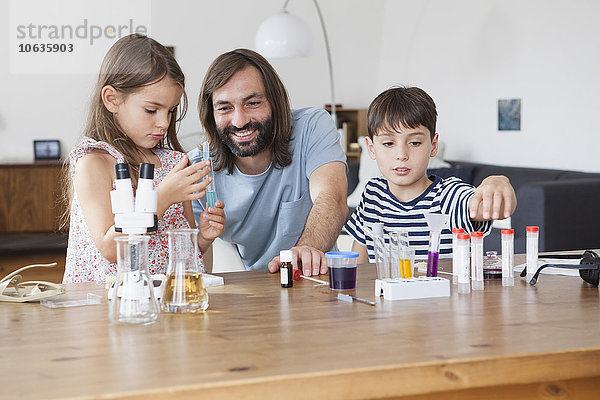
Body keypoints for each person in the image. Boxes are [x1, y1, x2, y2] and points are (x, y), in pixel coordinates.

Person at [63, 34, 225, 283]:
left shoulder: (174, 164)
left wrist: (203, 237)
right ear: (112, 99)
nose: (164, 123)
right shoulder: (95, 164)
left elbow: (186, 255)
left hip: (170, 302)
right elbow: (111, 249)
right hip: (112, 307)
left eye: (170, 111)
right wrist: (161, 198)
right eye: (151, 110)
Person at [189, 49, 348, 275]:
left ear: (275, 102)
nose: (240, 121)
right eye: (224, 108)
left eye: (252, 103)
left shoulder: (312, 127)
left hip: (315, 279)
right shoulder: (197, 169)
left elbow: (332, 197)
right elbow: (196, 264)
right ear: (210, 114)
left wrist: (305, 250)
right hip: (253, 290)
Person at [345, 86, 517, 262]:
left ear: (433, 145)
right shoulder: (373, 195)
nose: (401, 155)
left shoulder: (448, 196)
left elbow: (493, 208)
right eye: (389, 143)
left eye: (414, 142)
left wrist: (497, 182)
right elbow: (361, 260)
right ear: (371, 148)